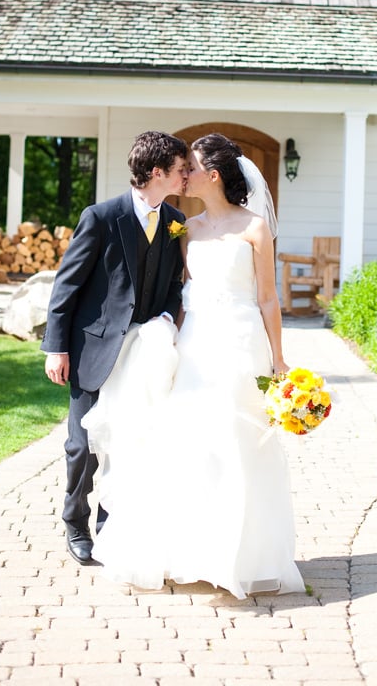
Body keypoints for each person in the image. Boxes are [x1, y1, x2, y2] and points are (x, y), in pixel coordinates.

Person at [83, 132, 305, 598]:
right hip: (196, 344)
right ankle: (188, 552)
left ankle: (238, 557)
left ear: (214, 175)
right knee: (187, 442)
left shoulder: (254, 228)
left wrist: (279, 359)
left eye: (193, 167)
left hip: (241, 342)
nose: (186, 174)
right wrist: (168, 340)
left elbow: (268, 298)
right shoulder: (186, 227)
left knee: (236, 441)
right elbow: (183, 292)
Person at [42, 130, 188, 565]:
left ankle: (112, 525)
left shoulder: (175, 220)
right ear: (157, 172)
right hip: (93, 349)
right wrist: (56, 347)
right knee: (82, 445)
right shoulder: (102, 217)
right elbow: (66, 286)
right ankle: (75, 522)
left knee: (128, 441)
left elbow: (174, 285)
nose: (187, 176)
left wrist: (165, 316)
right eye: (181, 170)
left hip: (144, 352)